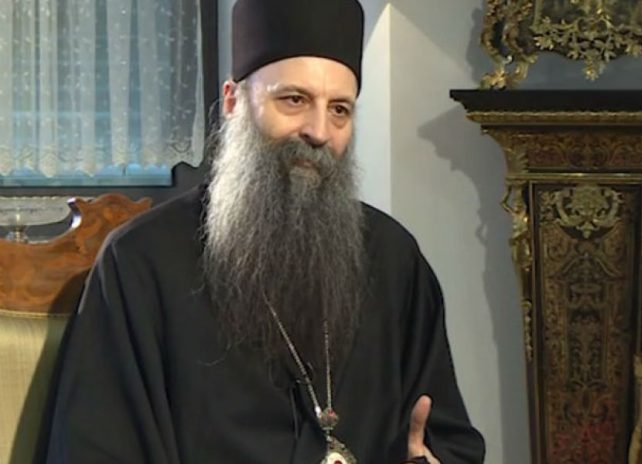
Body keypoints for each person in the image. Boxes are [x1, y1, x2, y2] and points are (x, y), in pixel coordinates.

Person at [44, 0, 485, 462]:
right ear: (233, 102)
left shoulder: (394, 258)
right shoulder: (143, 261)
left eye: (339, 110)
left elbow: (446, 437)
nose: (319, 131)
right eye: (294, 100)